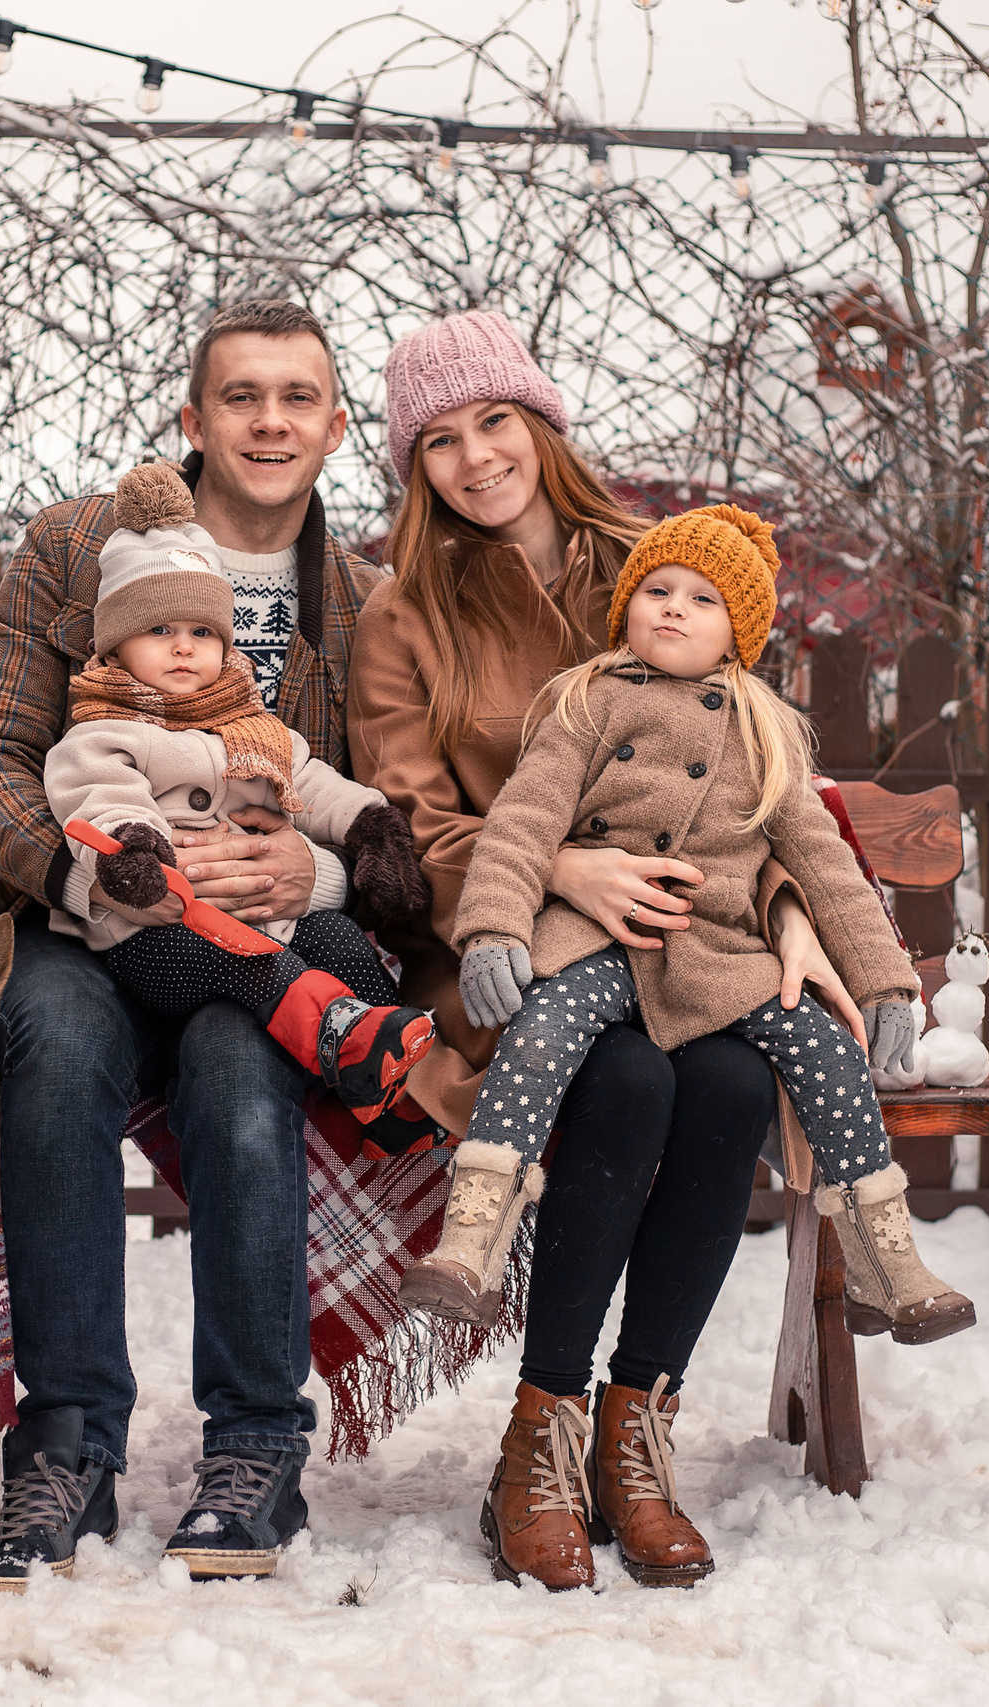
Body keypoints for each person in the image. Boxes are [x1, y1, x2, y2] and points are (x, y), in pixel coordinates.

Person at [347, 309, 873, 1592]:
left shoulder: (661, 569)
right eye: (441, 441)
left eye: (494, 423)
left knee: (735, 1083)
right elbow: (406, 822)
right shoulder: (402, 615)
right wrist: (560, 869)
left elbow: (767, 769)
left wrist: (795, 919)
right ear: (415, 468)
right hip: (519, 957)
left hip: (699, 946)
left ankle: (636, 1429)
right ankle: (541, 1432)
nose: (476, 459)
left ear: (540, 423)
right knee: (628, 1082)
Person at [0, 299, 382, 1594]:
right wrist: (68, 866)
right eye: (241, 395)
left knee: (240, 1065)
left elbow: (381, 810)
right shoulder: (75, 547)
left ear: (335, 423)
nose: (269, 420)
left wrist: (308, 868)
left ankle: (257, 1442)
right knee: (50, 1042)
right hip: (70, 918)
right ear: (194, 417)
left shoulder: (362, 602)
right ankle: (67, 1436)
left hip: (246, 940)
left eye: (296, 397)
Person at [414, 503, 973, 1356]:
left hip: (721, 959)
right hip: (599, 943)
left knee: (826, 1053)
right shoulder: (587, 701)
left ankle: (884, 1259)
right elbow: (522, 822)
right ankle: (472, 1241)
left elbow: (825, 865)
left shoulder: (762, 728)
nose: (673, 607)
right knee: (541, 1029)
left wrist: (886, 980)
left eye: (704, 599)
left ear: (738, 634)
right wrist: (493, 926)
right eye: (659, 588)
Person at [44, 460, 436, 1122]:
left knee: (340, 940)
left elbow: (310, 781)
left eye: (201, 632)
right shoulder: (104, 729)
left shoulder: (250, 725)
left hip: (267, 916)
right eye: (158, 630)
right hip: (156, 935)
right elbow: (104, 799)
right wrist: (136, 847)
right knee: (246, 963)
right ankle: (344, 1038)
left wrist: (370, 826)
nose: (183, 648)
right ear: (116, 646)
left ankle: (401, 1083)